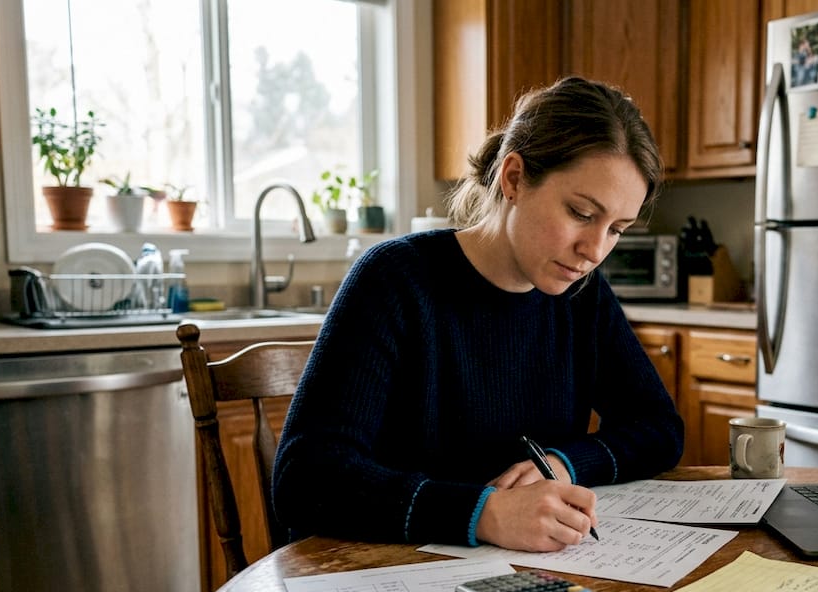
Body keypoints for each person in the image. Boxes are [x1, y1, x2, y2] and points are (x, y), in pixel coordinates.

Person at [272, 76, 685, 553]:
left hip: (514, 572)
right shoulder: (394, 280)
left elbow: (659, 428)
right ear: (513, 179)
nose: (594, 250)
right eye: (580, 213)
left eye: (617, 229)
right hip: (382, 572)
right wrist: (483, 513)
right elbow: (305, 479)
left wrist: (567, 463)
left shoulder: (581, 295)